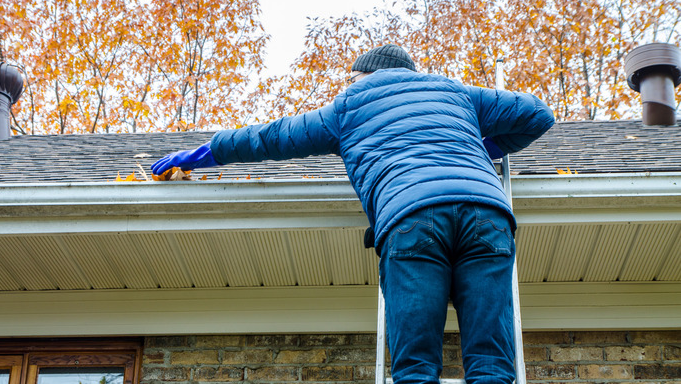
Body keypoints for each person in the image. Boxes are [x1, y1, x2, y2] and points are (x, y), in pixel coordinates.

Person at [151, 44, 555, 384]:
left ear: (362, 76)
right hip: (486, 216)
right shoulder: (456, 92)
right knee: (492, 365)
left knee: (415, 367)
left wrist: (200, 155)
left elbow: (269, 137)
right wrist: (486, 151)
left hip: (412, 219)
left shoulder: (347, 105)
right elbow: (538, 114)